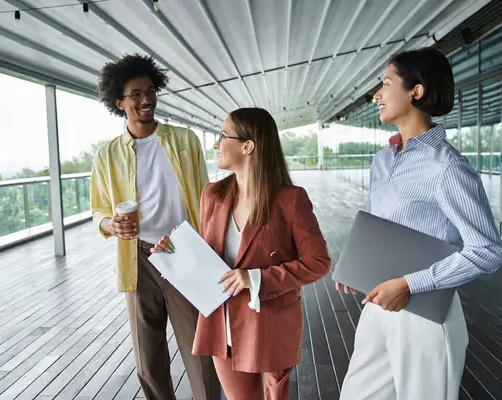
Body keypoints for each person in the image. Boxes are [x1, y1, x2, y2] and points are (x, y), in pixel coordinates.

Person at [336, 47, 502, 399]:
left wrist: (410, 284)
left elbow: (487, 251)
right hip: (379, 304)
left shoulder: (446, 167)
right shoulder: (383, 161)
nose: (376, 95)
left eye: (385, 84)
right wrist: (359, 269)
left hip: (425, 317)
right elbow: (381, 230)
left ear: (417, 91)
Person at [151, 107, 331, 400]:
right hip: (222, 323)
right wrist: (173, 254)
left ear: (248, 146)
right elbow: (208, 255)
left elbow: (319, 262)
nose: (215, 143)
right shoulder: (213, 195)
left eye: (222, 136)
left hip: (269, 322)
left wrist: (256, 278)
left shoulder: (290, 199)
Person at [90, 53, 220, 400]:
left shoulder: (184, 140)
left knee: (201, 352)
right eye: (136, 94)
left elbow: (206, 195)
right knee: (148, 359)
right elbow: (97, 209)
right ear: (119, 102)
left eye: (150, 91)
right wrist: (111, 224)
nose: (146, 99)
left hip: (183, 250)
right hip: (137, 258)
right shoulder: (107, 155)